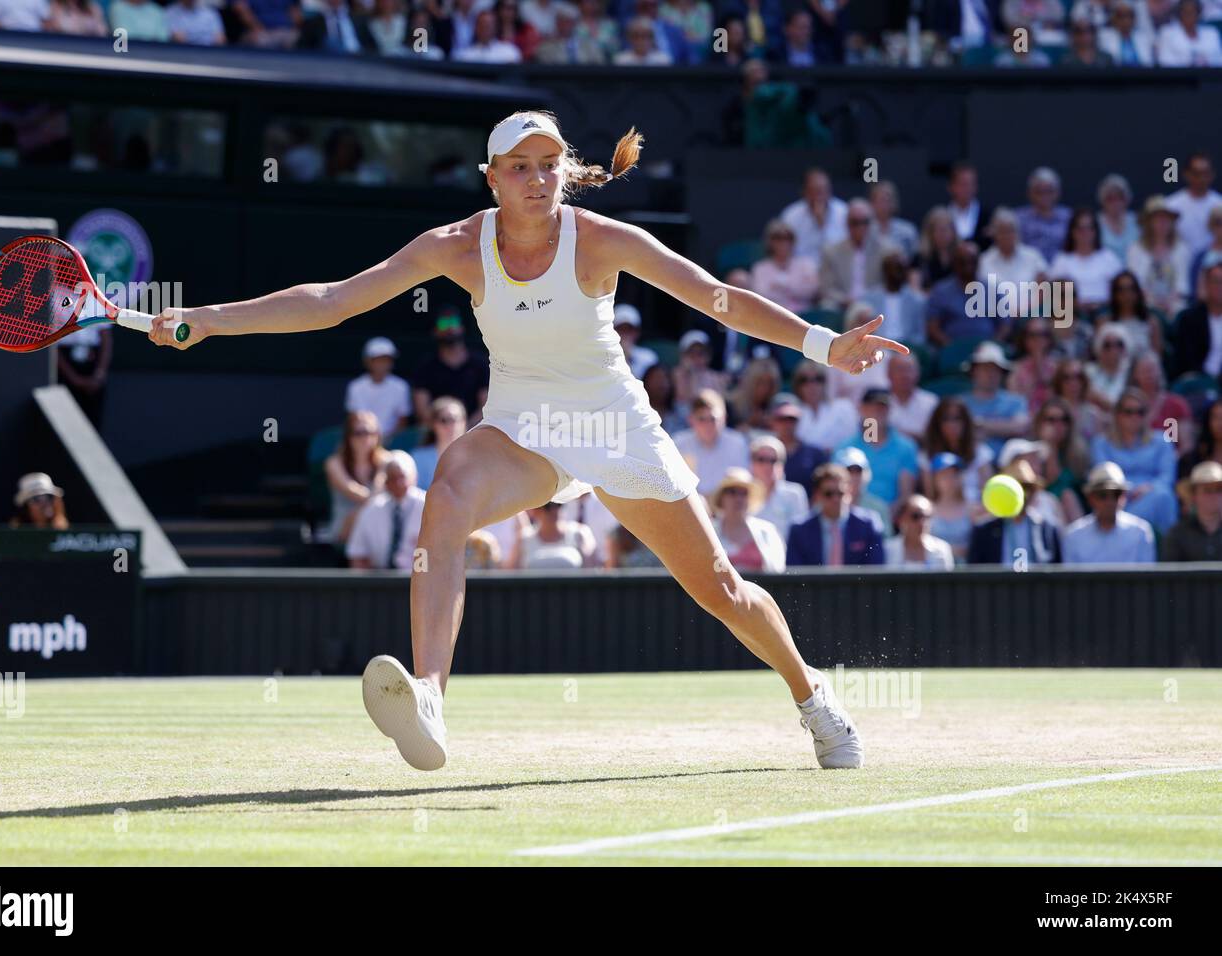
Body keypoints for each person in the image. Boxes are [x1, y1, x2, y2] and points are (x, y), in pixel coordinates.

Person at [148, 111, 904, 770]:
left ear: (564, 174)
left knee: (723, 592)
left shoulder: (604, 240)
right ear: (492, 179)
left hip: (613, 424)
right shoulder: (453, 246)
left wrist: (823, 344)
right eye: (520, 168)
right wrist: (211, 317)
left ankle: (813, 699)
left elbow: (718, 297)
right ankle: (431, 700)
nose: (537, 180)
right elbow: (334, 302)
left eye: (548, 166)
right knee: (444, 493)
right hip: (522, 427)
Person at [1090, 387, 1179, 532]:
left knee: (1163, 496)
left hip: (1153, 493)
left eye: (1140, 412)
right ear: (1117, 415)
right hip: (1118, 498)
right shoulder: (1101, 443)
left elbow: (1167, 476)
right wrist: (1128, 489)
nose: (1134, 417)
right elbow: (1102, 476)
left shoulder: (1162, 440)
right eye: (1128, 412)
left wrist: (1148, 487)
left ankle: (1167, 548)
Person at [966, 459, 1063, 566]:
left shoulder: (1048, 529)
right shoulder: (984, 531)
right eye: (1019, 487)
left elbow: (1056, 569)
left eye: (1027, 488)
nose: (1024, 494)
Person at [785, 462, 885, 566]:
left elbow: (876, 570)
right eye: (829, 494)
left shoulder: (868, 525)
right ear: (817, 495)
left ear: (849, 492)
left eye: (840, 493)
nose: (835, 499)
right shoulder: (800, 530)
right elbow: (795, 573)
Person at [835, 387, 919, 507]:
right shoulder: (844, 448)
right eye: (872, 406)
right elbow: (836, 487)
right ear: (861, 409)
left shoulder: (906, 447)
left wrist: (884, 517)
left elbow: (905, 494)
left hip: (891, 519)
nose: (877, 411)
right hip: (851, 516)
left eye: (882, 407)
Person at [1062, 462, 1156, 564]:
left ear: (1124, 496)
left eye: (1116, 494)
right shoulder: (1073, 537)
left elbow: (1147, 578)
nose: (1110, 501)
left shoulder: (1140, 533)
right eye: (1102, 495)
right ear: (1090, 498)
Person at [346, 451, 425, 570]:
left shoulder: (428, 506)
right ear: (386, 482)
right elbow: (358, 555)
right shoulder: (372, 509)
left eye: (402, 477)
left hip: (420, 579)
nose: (398, 483)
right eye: (392, 478)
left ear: (414, 477)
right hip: (380, 580)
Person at [411, 312, 490, 427]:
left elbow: (486, 406)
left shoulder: (480, 364)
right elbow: (422, 411)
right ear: (435, 331)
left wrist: (463, 429)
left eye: (453, 322)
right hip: (437, 435)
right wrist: (446, 430)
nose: (450, 328)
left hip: (475, 432)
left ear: (462, 328)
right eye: (443, 324)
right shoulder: (425, 367)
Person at [323, 410, 387, 549]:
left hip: (379, 524)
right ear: (348, 436)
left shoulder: (386, 460)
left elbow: (379, 491)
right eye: (359, 433)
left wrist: (382, 466)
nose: (365, 438)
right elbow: (358, 494)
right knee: (362, 514)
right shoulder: (333, 463)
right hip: (345, 527)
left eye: (371, 432)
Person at [818, 199, 892, 311]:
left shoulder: (885, 250)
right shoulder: (832, 252)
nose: (860, 227)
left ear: (871, 223)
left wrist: (868, 299)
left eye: (865, 222)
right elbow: (826, 288)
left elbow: (887, 284)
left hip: (874, 305)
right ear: (847, 223)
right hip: (843, 305)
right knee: (826, 306)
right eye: (855, 223)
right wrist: (845, 300)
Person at [673, 389, 750, 495]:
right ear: (691, 420)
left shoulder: (738, 444)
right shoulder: (679, 443)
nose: (708, 425)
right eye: (702, 419)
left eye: (713, 419)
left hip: (727, 507)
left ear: (724, 418)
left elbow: (741, 484)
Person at [708, 467, 786, 572]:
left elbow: (778, 569)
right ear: (721, 497)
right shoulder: (708, 531)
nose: (738, 498)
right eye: (732, 492)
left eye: (744, 493)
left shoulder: (767, 530)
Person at [1047, 207, 1122, 314]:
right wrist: (1076, 304)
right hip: (1072, 312)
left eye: (1089, 228)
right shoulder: (1062, 259)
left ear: (1095, 231)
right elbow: (1054, 292)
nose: (1085, 233)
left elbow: (1120, 288)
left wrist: (1102, 304)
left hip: (1105, 310)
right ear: (1072, 232)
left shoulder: (1108, 257)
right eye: (1080, 228)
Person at [1126, 196, 1191, 319]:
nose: (1162, 223)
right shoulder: (1135, 249)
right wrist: (1154, 303)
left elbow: (1183, 286)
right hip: (1145, 304)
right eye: (1157, 219)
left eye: (1166, 219)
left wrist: (1169, 303)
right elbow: (1135, 284)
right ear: (1148, 223)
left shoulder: (1182, 249)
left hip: (1175, 304)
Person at [960, 341, 1029, 455]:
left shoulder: (1015, 401)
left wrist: (980, 425)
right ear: (973, 371)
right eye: (985, 368)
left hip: (1007, 465)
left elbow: (1020, 427)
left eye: (995, 369)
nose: (990, 374)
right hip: (970, 464)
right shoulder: (961, 403)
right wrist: (1003, 428)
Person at [346, 336, 412, 438]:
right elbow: (354, 419)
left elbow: (402, 421)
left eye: (386, 360)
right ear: (368, 361)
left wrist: (388, 441)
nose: (383, 364)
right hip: (362, 439)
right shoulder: (356, 387)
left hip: (392, 442)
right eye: (378, 360)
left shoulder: (401, 387)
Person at [750, 221, 819, 316]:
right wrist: (790, 291)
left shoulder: (805, 264)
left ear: (793, 241)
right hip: (771, 315)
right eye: (777, 239)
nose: (783, 243)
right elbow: (760, 294)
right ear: (770, 242)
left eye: (787, 238)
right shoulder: (760, 268)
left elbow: (811, 290)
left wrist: (780, 287)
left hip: (804, 316)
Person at [777, 167, 847, 260]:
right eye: (816, 191)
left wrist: (822, 224)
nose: (820, 196)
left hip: (836, 269)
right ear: (804, 191)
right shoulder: (791, 215)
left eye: (824, 190)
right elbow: (783, 249)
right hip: (801, 270)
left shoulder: (844, 212)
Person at [789, 359, 857, 452]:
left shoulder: (843, 407)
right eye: (804, 380)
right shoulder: (790, 412)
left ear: (825, 382)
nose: (812, 385)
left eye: (818, 379)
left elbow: (852, 438)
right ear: (797, 384)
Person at [1160, 460, 1222, 560]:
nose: (1214, 496)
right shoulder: (1177, 534)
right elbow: (1169, 573)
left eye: (1219, 490)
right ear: (1194, 495)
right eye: (1207, 490)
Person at [748, 434, 809, 534]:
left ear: (782, 465)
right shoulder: (742, 493)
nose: (767, 465)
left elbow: (801, 535)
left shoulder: (795, 494)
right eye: (761, 459)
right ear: (751, 463)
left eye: (773, 460)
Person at [509, 500, 596, 568]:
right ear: (535, 510)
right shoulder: (524, 539)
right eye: (547, 506)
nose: (554, 510)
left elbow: (592, 571)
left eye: (559, 504)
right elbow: (511, 575)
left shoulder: (579, 534)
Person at [1173, 261, 1222, 380]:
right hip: (1198, 383)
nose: (1220, 287)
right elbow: (1185, 361)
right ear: (1206, 284)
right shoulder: (1189, 319)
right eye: (1216, 281)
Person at [767, 396, 827, 488]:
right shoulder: (762, 454)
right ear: (772, 421)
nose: (787, 424)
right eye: (782, 419)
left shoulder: (815, 454)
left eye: (792, 419)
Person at [1016, 167, 1072, 264]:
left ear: (1057, 192)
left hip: (1063, 272)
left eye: (1049, 191)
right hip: (1028, 272)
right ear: (1030, 193)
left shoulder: (1068, 217)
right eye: (1039, 192)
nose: (1044, 196)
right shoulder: (1018, 218)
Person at [411, 397, 467, 490]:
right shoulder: (418, 457)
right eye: (444, 420)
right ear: (433, 424)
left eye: (456, 419)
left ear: (464, 422)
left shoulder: (476, 456)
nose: (451, 425)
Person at [926, 452, 974, 562]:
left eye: (954, 474)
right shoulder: (927, 509)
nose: (949, 479)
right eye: (943, 475)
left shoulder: (972, 509)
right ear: (934, 479)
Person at [885, 493, 954, 569]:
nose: (922, 522)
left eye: (927, 517)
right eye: (916, 516)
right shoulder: (887, 550)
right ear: (901, 519)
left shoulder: (942, 550)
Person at [884, 351, 937, 443]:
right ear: (888, 374)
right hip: (884, 455)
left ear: (918, 373)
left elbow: (938, 439)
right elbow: (869, 436)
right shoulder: (875, 402)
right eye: (900, 370)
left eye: (909, 369)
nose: (905, 375)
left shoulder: (931, 402)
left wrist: (891, 435)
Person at [612, 304, 658, 379]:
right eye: (621, 329)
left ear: (637, 332)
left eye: (629, 330)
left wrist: (627, 357)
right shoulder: (601, 357)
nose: (625, 334)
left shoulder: (649, 357)